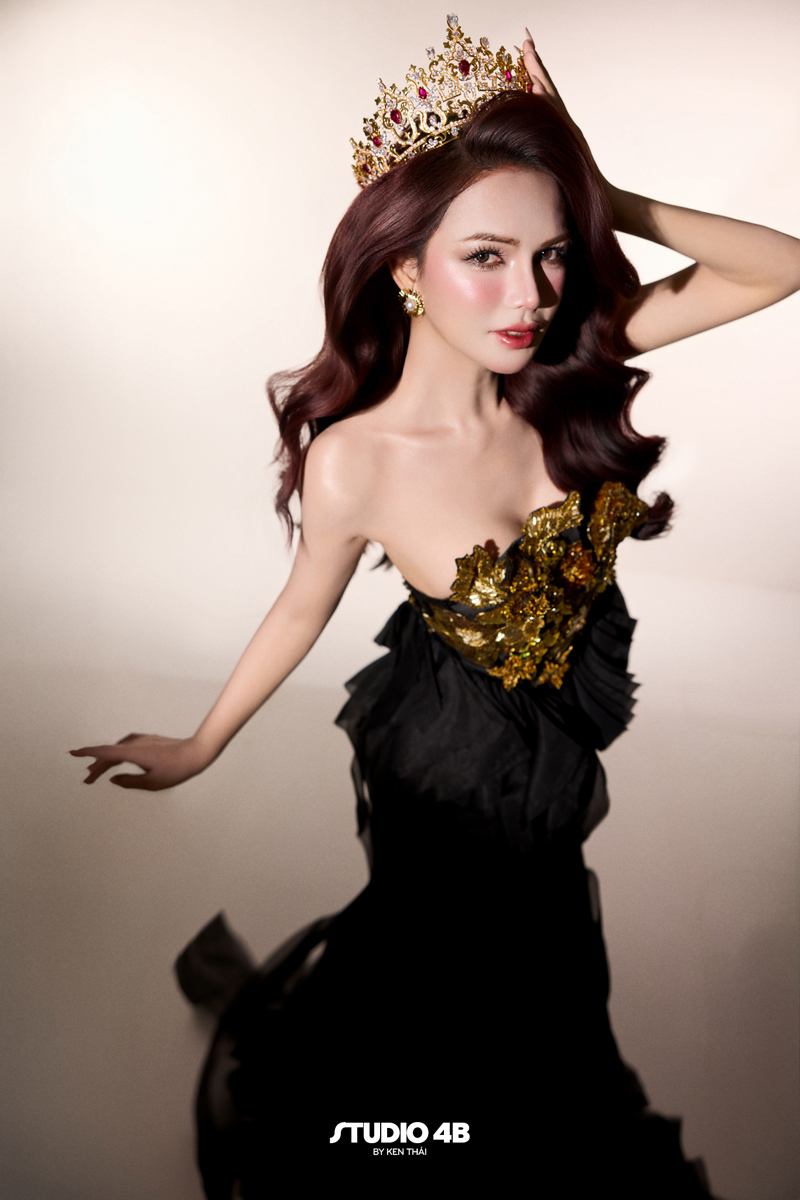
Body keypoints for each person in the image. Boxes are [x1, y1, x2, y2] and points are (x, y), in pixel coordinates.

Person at [70, 16, 800, 1198]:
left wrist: (604, 193)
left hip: (546, 759)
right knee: (445, 992)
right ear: (405, 269)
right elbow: (301, 608)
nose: (529, 295)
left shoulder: (565, 355)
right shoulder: (356, 461)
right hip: (445, 766)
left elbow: (780, 265)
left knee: (541, 989)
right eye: (485, 257)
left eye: (551, 254)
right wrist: (203, 743)